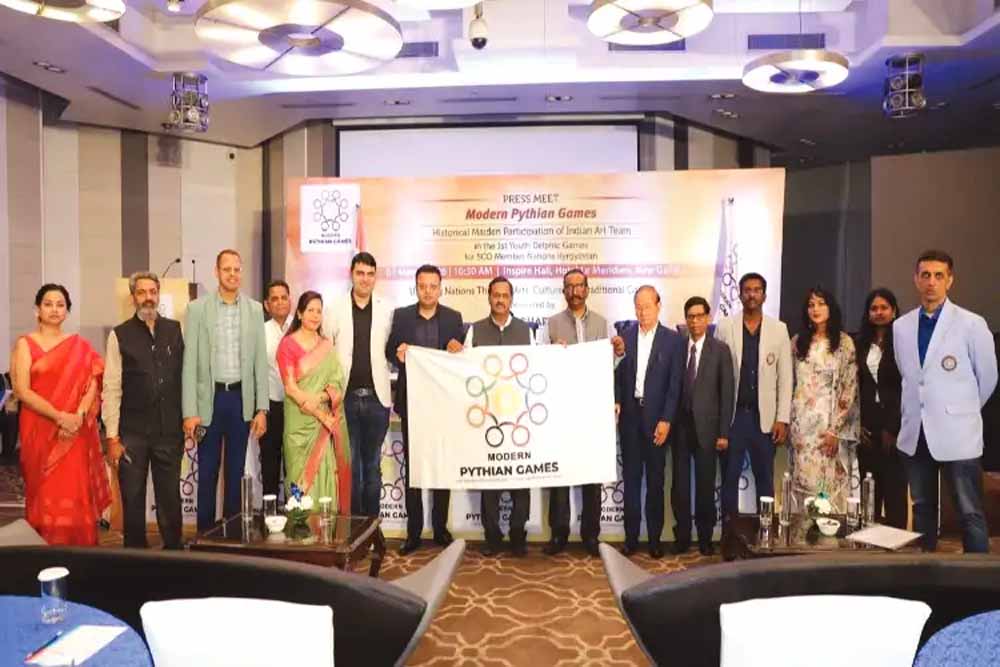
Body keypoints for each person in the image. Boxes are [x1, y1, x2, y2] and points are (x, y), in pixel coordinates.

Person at [894, 250, 998, 553]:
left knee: (969, 511)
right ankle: (924, 574)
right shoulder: (902, 326)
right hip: (917, 433)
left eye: (938, 276)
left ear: (949, 281)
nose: (931, 282)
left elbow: (987, 377)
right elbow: (909, 375)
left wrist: (961, 411)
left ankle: (978, 578)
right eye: (925, 275)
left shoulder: (971, 324)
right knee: (922, 509)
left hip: (958, 432)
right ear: (916, 279)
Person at [11, 284, 110, 545]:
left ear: (67, 311)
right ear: (37, 310)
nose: (54, 309)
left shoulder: (79, 346)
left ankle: (79, 553)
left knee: (74, 490)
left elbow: (93, 382)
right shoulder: (25, 344)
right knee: (43, 492)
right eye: (48, 304)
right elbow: (22, 390)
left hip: (74, 432)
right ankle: (44, 554)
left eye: (60, 305)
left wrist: (78, 415)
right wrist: (59, 416)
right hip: (39, 428)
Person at [538, 268, 624, 557]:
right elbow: (538, 365)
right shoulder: (549, 325)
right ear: (563, 291)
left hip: (592, 410)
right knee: (560, 474)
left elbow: (613, 365)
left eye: (579, 286)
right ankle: (559, 534)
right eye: (569, 286)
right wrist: (550, 352)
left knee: (591, 473)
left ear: (588, 289)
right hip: (560, 410)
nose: (575, 291)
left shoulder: (604, 324)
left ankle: (590, 534)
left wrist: (619, 352)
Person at [182, 249, 269, 530]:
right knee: (207, 472)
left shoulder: (254, 310)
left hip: (240, 401)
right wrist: (189, 412)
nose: (232, 274)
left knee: (235, 473)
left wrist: (262, 408)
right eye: (227, 269)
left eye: (237, 269)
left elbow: (260, 362)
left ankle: (231, 534)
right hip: (209, 401)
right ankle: (205, 536)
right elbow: (189, 364)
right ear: (216, 272)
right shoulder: (197, 309)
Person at [102, 272, 185, 549]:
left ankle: (174, 552)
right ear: (133, 297)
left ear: (158, 294)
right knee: (133, 498)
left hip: (169, 431)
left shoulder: (175, 330)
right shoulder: (119, 335)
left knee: (170, 499)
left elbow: (184, 378)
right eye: (141, 292)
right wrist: (112, 437)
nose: (148, 297)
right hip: (132, 433)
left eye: (152, 291)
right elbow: (111, 388)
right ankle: (135, 558)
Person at [386, 264, 465, 555]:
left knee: (442, 465)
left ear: (440, 288)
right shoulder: (402, 316)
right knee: (415, 469)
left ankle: (440, 528)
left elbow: (462, 359)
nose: (428, 291)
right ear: (416, 287)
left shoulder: (454, 318)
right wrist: (397, 352)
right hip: (413, 404)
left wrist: (458, 349)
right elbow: (389, 350)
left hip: (443, 406)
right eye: (423, 286)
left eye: (433, 286)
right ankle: (414, 532)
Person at [464, 276, 534, 557]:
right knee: (489, 479)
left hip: (519, 417)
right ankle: (492, 536)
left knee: (521, 479)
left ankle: (517, 535)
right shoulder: (475, 330)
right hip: (487, 416)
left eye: (505, 295)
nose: (500, 300)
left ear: (512, 299)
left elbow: (536, 368)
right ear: (489, 297)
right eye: (496, 295)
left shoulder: (526, 331)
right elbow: (464, 370)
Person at [715, 273, 792, 521]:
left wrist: (782, 418)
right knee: (729, 479)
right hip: (734, 417)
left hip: (765, 420)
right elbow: (716, 373)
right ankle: (730, 533)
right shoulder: (725, 326)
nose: (752, 294)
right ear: (740, 294)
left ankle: (765, 532)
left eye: (757, 290)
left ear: (764, 295)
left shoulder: (779, 329)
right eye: (747, 290)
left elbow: (785, 378)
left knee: (765, 480)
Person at [614, 285, 683, 558]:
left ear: (658, 306)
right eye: (638, 307)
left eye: (647, 306)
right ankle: (631, 539)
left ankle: (654, 539)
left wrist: (667, 420)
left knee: (655, 482)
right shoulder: (625, 338)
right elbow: (617, 376)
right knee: (631, 482)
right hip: (630, 419)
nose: (642, 312)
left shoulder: (673, 341)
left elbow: (675, 386)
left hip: (657, 421)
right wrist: (617, 400)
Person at [323, 252, 393, 518]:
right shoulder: (334, 308)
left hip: (377, 399)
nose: (365, 279)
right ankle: (352, 530)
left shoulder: (388, 309)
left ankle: (372, 528)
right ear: (351, 274)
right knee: (350, 468)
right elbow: (326, 352)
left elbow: (392, 350)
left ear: (376, 277)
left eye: (370, 274)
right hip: (345, 399)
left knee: (373, 467)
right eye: (360, 273)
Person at [671, 297, 734, 556]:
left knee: (705, 486)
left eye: (699, 316)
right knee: (680, 486)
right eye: (690, 316)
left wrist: (723, 433)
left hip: (708, 429)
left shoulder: (720, 350)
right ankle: (682, 535)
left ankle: (706, 537)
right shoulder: (677, 347)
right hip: (680, 427)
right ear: (686, 320)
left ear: (708, 318)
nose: (695, 321)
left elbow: (727, 393)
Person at [277, 291, 351, 512]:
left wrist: (319, 399)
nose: (315, 315)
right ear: (300, 314)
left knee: (326, 473)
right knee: (299, 475)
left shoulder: (327, 346)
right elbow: (290, 388)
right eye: (310, 310)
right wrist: (320, 414)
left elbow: (337, 383)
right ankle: (301, 527)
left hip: (323, 424)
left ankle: (326, 528)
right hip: (299, 421)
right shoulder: (287, 345)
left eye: (319, 311)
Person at [788, 287, 859, 512]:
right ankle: (802, 530)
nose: (815, 309)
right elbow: (790, 383)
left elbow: (849, 388)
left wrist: (835, 430)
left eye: (821, 304)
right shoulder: (797, 342)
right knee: (802, 482)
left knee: (826, 486)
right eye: (811, 305)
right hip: (801, 427)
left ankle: (828, 531)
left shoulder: (844, 343)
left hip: (828, 427)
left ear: (831, 308)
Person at [855, 288, 907, 528]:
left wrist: (893, 428)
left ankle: (897, 543)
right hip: (867, 425)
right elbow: (855, 386)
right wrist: (858, 425)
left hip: (896, 424)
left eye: (884, 308)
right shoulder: (860, 344)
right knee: (869, 490)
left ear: (894, 311)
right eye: (874, 308)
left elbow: (906, 387)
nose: (879, 312)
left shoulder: (903, 343)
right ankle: (869, 541)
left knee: (894, 489)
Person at [262, 279, 292, 498]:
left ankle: (296, 511)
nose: (280, 302)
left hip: (297, 407)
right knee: (270, 464)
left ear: (290, 300)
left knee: (294, 465)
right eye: (275, 299)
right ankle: (269, 512)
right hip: (271, 405)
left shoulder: (301, 328)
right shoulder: (260, 332)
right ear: (266, 304)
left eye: (284, 297)